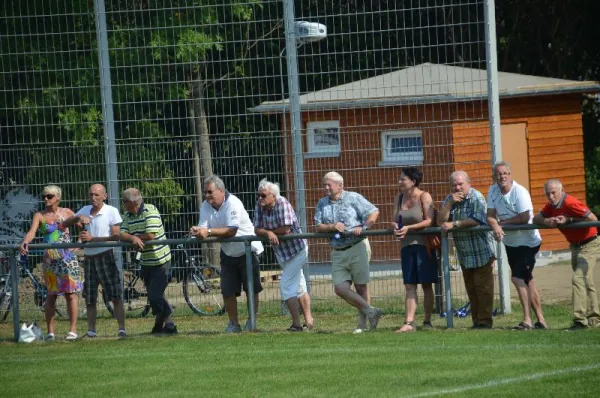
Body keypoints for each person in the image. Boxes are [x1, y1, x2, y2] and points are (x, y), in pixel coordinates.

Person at [190, 175, 264, 333]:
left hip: (247, 251)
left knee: (251, 288)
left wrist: (208, 231)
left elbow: (232, 230)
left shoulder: (233, 203)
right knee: (227, 290)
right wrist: (198, 231)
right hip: (228, 252)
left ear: (221, 191)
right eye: (205, 192)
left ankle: (252, 322)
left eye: (210, 192)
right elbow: (203, 226)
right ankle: (234, 324)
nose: (207, 195)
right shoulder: (205, 205)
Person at [314, 171, 382, 333]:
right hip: (337, 250)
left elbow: (373, 212)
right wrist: (332, 226)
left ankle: (363, 324)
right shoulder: (322, 203)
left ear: (340, 185)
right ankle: (372, 311)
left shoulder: (353, 197)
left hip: (357, 246)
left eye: (328, 184)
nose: (326, 188)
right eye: (324, 184)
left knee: (361, 287)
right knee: (340, 288)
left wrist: (365, 227)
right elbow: (318, 226)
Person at [487, 161, 547, 330]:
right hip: (511, 243)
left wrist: (503, 223)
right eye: (499, 174)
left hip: (528, 242)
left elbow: (524, 217)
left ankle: (527, 320)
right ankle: (541, 320)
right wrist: (496, 225)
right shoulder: (492, 191)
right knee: (528, 280)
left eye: (505, 173)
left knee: (517, 278)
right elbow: (490, 215)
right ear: (494, 177)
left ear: (510, 175)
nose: (502, 176)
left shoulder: (520, 192)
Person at [533, 179, 600, 330]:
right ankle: (595, 318)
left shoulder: (570, 203)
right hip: (575, 245)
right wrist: (547, 220)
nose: (550, 197)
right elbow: (535, 218)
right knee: (586, 281)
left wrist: (569, 219)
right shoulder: (552, 206)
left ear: (561, 191)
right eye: (548, 194)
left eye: (553, 193)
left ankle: (580, 321)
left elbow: (593, 219)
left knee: (578, 278)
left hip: (589, 243)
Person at [19, 185, 83, 341]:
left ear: (58, 197)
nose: (46, 199)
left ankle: (73, 330)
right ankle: (50, 332)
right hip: (50, 260)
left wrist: (80, 242)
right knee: (51, 295)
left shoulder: (67, 212)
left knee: (70, 295)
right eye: (44, 197)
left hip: (68, 259)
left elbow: (83, 226)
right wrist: (25, 242)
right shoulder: (39, 215)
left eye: (49, 196)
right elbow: (31, 232)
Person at [62, 184, 126, 338]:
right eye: (91, 194)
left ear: (105, 196)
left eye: (97, 195)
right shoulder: (84, 210)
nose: (93, 198)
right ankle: (91, 331)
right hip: (89, 259)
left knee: (115, 296)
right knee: (90, 298)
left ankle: (122, 329)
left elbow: (116, 236)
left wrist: (92, 239)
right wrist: (77, 217)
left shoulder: (111, 211)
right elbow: (65, 223)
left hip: (106, 256)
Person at [437, 171, 496, 329]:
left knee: (483, 289)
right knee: (472, 289)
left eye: (460, 184)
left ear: (468, 183)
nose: (457, 187)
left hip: (482, 251)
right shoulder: (450, 199)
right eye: (454, 185)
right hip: (465, 253)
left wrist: (454, 224)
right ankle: (476, 321)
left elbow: (477, 219)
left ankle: (484, 323)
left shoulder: (476, 197)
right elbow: (440, 221)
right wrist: (449, 204)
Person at [254, 179, 314, 332]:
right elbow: (256, 229)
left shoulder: (283, 203)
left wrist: (270, 231)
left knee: (286, 285)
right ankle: (309, 321)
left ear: (273, 196)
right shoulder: (260, 206)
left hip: (297, 250)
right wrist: (268, 233)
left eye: (263, 195)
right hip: (281, 252)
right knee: (299, 286)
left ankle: (296, 324)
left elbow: (286, 229)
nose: (260, 199)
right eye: (259, 195)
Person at [119, 188, 176, 335]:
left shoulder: (151, 210)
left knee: (154, 295)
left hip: (161, 260)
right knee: (157, 294)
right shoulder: (127, 215)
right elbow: (121, 233)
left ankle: (162, 324)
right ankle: (168, 325)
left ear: (131, 202)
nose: (123, 205)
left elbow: (151, 235)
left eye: (124, 202)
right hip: (145, 261)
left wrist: (135, 236)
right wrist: (133, 238)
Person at [392, 167, 437, 333]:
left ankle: (427, 320)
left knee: (426, 284)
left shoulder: (424, 196)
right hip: (406, 247)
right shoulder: (398, 198)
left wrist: (409, 228)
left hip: (423, 246)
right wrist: (396, 226)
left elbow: (429, 221)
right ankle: (409, 322)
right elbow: (393, 220)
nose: (399, 182)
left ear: (413, 181)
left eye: (403, 179)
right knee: (409, 285)